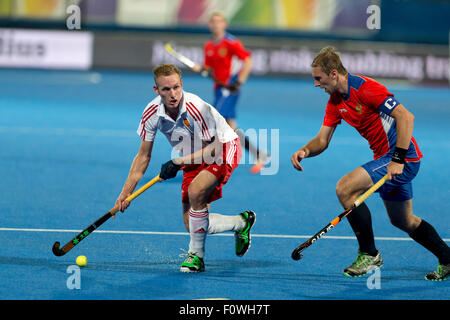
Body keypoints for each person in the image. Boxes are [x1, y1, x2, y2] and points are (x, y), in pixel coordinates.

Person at [291, 46, 450, 281]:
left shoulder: (366, 89)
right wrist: (305, 150)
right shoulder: (335, 101)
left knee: (345, 188)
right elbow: (322, 140)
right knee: (403, 220)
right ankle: (447, 258)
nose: (316, 84)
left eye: (319, 78)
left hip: (402, 158)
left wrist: (397, 159)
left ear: (334, 74)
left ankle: (369, 254)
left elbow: (406, 117)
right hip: (385, 160)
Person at [114, 64, 256, 273]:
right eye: (166, 89)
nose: (173, 94)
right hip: (193, 156)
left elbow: (213, 151)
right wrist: (126, 192)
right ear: (156, 90)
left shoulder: (195, 107)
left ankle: (196, 257)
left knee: (196, 191)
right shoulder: (151, 113)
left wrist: (178, 162)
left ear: (182, 85)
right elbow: (143, 156)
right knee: (192, 223)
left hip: (223, 147)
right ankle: (241, 222)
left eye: (176, 87)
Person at [193, 11, 270, 174]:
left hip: (229, 89)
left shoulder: (231, 42)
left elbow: (247, 61)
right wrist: (200, 68)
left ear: (224, 24)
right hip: (218, 89)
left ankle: (210, 161)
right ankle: (260, 154)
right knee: (229, 126)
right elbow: (208, 69)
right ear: (209, 25)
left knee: (212, 120)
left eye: (219, 22)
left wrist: (239, 81)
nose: (216, 25)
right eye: (213, 22)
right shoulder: (208, 46)